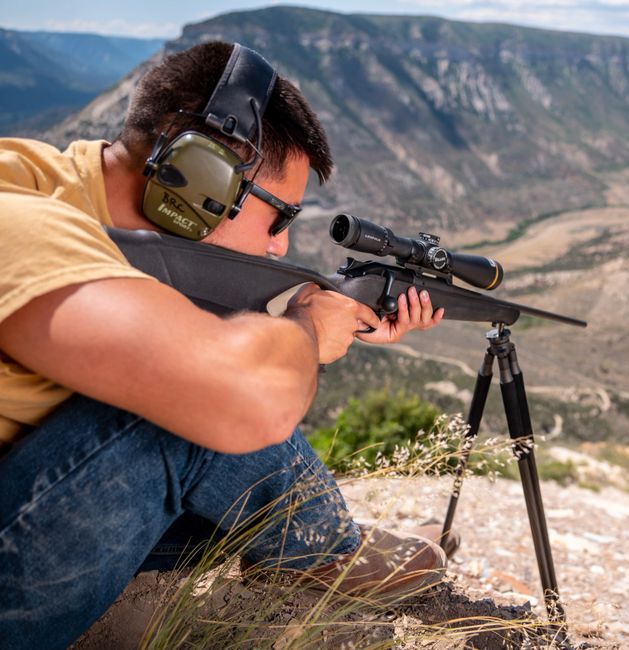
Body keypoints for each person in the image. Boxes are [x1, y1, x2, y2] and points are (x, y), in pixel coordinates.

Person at [0, 41, 451, 648]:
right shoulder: (17, 221)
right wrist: (307, 330)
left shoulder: (58, 190)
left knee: (215, 438)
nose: (280, 246)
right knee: (189, 405)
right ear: (198, 179)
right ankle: (330, 550)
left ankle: (316, 542)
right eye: (279, 217)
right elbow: (245, 400)